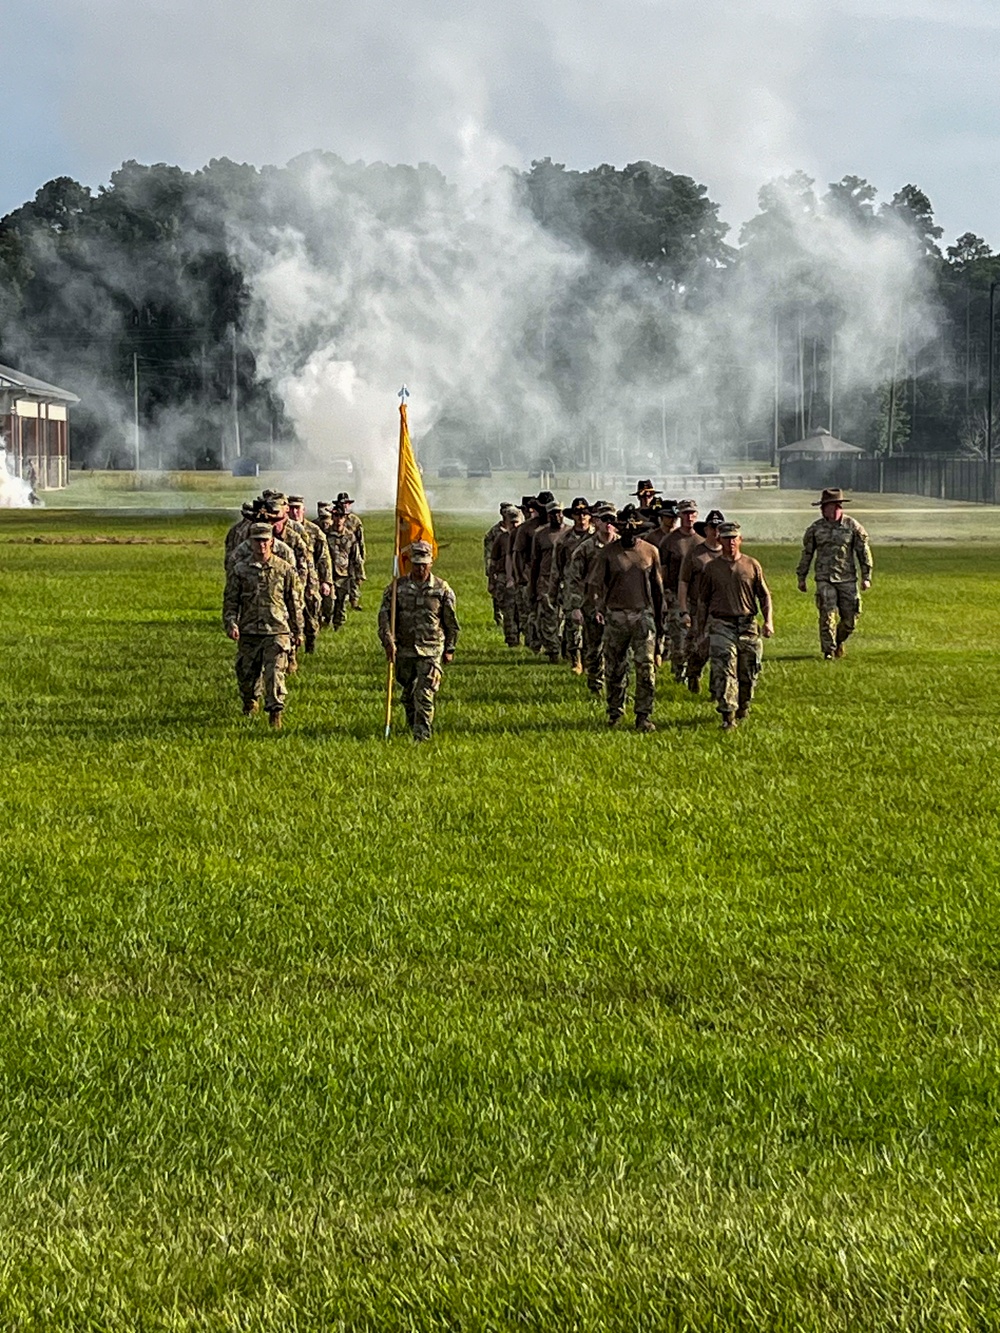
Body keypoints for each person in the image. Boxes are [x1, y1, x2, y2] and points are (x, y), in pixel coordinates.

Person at [586, 505, 663, 732]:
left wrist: (660, 621)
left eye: (634, 530)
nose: (629, 534)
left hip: (643, 616)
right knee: (615, 668)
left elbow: (657, 589)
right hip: (616, 616)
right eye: (625, 530)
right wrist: (597, 607)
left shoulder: (650, 552)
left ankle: (643, 716)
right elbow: (594, 584)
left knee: (645, 668)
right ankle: (615, 712)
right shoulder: (608, 553)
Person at [222, 521, 304, 731]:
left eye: (265, 541)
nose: (261, 545)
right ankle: (250, 703)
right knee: (247, 675)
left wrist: (298, 630)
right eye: (257, 541)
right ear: (250, 542)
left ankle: (275, 713)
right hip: (249, 631)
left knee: (275, 674)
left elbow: (294, 602)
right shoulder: (240, 570)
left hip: (277, 630)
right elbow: (231, 601)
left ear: (272, 541)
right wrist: (231, 623)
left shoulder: (284, 569)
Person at [378, 540, 459, 742]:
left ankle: (421, 736)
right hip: (405, 650)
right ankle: (413, 724)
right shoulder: (397, 588)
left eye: (424, 564)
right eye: (416, 564)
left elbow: (451, 622)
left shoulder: (442, 589)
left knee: (424, 694)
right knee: (408, 696)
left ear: (431, 563)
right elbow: (385, 616)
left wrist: (450, 648)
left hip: (431, 649)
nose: (420, 568)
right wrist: (388, 640)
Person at [700, 522, 773, 730]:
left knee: (748, 672)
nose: (730, 542)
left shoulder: (751, 565)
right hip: (721, 624)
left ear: (740, 540)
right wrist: (701, 631)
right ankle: (727, 715)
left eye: (734, 538)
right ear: (719, 540)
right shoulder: (711, 568)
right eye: (726, 538)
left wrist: (768, 622)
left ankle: (744, 705)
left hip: (748, 625)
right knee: (724, 669)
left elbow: (764, 595)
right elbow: (703, 601)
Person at [796, 487, 873, 659]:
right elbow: (807, 553)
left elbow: (863, 551)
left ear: (838, 507)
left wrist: (866, 576)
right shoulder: (815, 529)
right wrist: (801, 577)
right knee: (827, 615)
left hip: (847, 578)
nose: (828, 510)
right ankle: (828, 651)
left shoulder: (852, 526)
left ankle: (839, 641)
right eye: (825, 507)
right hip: (824, 578)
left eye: (832, 506)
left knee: (851, 619)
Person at [565, 503, 616, 695]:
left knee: (617, 650)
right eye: (604, 520)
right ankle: (596, 686)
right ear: (596, 522)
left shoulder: (622, 546)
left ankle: (616, 686)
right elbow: (574, 579)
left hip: (615, 606)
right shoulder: (585, 549)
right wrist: (576, 607)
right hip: (592, 605)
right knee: (594, 649)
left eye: (612, 520)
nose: (608, 524)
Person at [677, 508, 725, 694]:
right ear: (706, 530)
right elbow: (684, 582)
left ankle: (717, 689)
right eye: (712, 527)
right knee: (699, 648)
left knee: (721, 650)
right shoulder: (695, 554)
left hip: (721, 610)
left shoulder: (728, 552)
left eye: (719, 527)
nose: (716, 532)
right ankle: (693, 673)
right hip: (698, 609)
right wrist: (683, 610)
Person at [551, 498, 594, 673]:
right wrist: (553, 591)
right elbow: (557, 567)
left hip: (592, 588)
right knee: (573, 625)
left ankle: (589, 659)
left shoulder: (596, 537)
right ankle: (575, 660)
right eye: (577, 513)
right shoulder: (564, 540)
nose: (581, 516)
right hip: (571, 588)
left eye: (584, 513)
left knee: (591, 626)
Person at [661, 499, 701, 682]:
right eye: (685, 513)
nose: (689, 517)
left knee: (697, 638)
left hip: (698, 596)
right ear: (679, 515)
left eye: (692, 513)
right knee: (679, 638)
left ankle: (694, 673)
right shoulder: (669, 541)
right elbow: (660, 571)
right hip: (675, 596)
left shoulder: (701, 541)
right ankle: (680, 674)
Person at [288, 494, 333, 652]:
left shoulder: (314, 531)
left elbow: (323, 558)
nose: (294, 512)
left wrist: (326, 581)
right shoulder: (282, 530)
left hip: (310, 581)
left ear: (304, 510)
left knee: (311, 613)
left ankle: (310, 645)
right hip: (288, 580)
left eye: (297, 509)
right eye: (291, 509)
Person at [530, 500, 568, 663]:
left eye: (559, 512)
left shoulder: (570, 533)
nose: (557, 516)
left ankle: (569, 650)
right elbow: (534, 563)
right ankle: (553, 651)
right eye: (553, 513)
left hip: (566, 580)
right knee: (549, 617)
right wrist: (532, 586)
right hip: (545, 580)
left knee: (567, 618)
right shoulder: (540, 534)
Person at [489, 506, 524, 647]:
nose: (515, 525)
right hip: (504, 578)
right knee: (508, 611)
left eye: (517, 522)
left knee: (523, 612)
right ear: (507, 523)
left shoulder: (527, 537)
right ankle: (512, 640)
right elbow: (493, 561)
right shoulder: (501, 538)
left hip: (522, 579)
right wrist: (492, 580)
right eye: (512, 523)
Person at [325, 504, 361, 629]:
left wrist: (359, 575)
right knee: (328, 602)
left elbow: (355, 557)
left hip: (344, 575)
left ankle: (338, 626)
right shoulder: (325, 535)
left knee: (341, 603)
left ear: (345, 518)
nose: (338, 519)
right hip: (329, 574)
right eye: (335, 516)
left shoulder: (350, 536)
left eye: (341, 516)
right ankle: (326, 623)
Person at [337, 492, 366, 609]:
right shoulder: (335, 518)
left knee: (353, 578)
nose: (345, 506)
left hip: (353, 551)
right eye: (342, 503)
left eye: (347, 503)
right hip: (339, 552)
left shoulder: (355, 521)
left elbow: (361, 540)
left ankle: (354, 602)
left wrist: (362, 556)